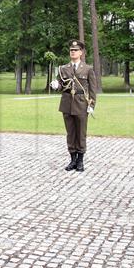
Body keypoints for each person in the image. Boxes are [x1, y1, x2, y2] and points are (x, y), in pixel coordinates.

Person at [50, 39, 97, 172]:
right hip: (67, 104)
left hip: (82, 104)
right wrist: (55, 85)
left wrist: (92, 105)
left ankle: (80, 161)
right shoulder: (63, 69)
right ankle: (72, 160)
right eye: (71, 50)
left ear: (81, 52)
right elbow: (60, 85)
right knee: (70, 133)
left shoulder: (88, 69)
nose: (73, 52)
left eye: (75, 50)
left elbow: (93, 89)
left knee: (81, 133)